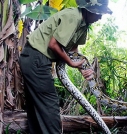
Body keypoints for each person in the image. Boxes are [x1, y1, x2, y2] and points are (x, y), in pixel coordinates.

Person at [19, 0, 112, 133]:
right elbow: (53, 44)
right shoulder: (73, 16)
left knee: (37, 107)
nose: (100, 17)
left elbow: (73, 50)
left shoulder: (84, 24)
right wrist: (71, 63)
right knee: (49, 106)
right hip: (36, 57)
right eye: (98, 13)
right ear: (89, 10)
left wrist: (83, 68)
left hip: (36, 59)